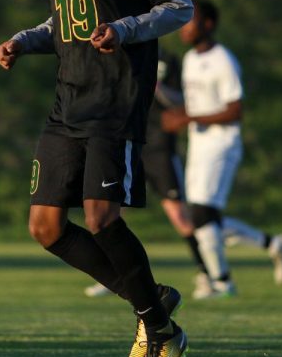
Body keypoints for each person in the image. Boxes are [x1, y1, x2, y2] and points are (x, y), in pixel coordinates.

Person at [0, 0, 191, 357]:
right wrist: (23, 40)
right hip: (68, 102)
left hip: (115, 101)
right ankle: (153, 302)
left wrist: (127, 29)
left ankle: (157, 326)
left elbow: (179, 6)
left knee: (103, 218)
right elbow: (65, 22)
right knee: (46, 227)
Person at [161, 0, 282, 299]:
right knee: (201, 219)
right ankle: (271, 244)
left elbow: (235, 111)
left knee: (203, 215)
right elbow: (195, 104)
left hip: (221, 144)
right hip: (199, 143)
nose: (185, 28)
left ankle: (220, 281)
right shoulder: (192, 59)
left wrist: (189, 117)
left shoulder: (223, 60)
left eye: (191, 21)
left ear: (208, 24)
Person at [84, 48, 206, 298]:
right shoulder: (118, 51)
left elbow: (183, 101)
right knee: (109, 213)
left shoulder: (167, 59)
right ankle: (111, 276)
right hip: (128, 142)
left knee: (178, 215)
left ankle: (207, 273)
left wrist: (155, 87)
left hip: (160, 147)